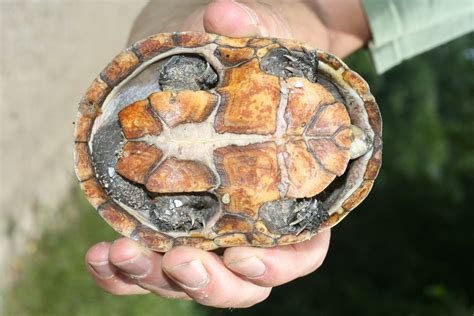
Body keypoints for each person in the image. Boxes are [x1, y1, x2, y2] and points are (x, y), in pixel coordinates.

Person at [84, 0, 473, 308]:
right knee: (225, 219)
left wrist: (298, 224)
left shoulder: (304, 98)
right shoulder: (313, 101)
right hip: (168, 137)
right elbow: (321, 16)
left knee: (218, 224)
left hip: (163, 140)